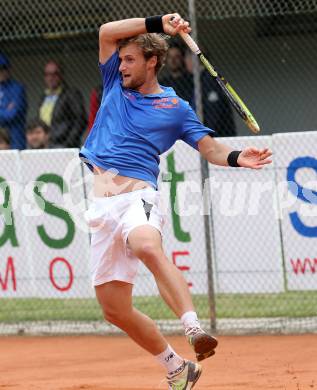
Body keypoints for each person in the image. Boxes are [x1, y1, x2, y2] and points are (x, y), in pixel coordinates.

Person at [79, 14, 272, 390]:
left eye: (130, 59)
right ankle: (177, 368)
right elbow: (104, 32)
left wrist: (236, 158)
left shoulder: (176, 107)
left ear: (152, 62)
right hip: (102, 206)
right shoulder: (114, 85)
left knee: (146, 245)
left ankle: (194, 328)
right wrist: (156, 22)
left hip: (138, 196)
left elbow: (210, 148)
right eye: (120, 60)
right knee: (114, 310)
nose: (122, 66)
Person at [184, 49, 236, 137]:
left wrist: (206, 135)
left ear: (193, 59)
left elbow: (214, 111)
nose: (185, 61)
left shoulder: (209, 79)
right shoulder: (199, 79)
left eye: (186, 57)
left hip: (218, 137)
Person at [39, 60, 87, 148]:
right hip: (46, 145)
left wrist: (69, 143)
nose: (51, 77)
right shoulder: (44, 97)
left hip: (62, 144)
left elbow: (81, 120)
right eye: (47, 74)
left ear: (61, 75)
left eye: (55, 74)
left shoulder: (71, 94)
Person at [0, 53, 27, 149]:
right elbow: (8, 114)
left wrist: (5, 112)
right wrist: (5, 110)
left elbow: (13, 114)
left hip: (15, 140)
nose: (1, 72)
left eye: (3, 68)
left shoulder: (17, 88)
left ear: (8, 69)